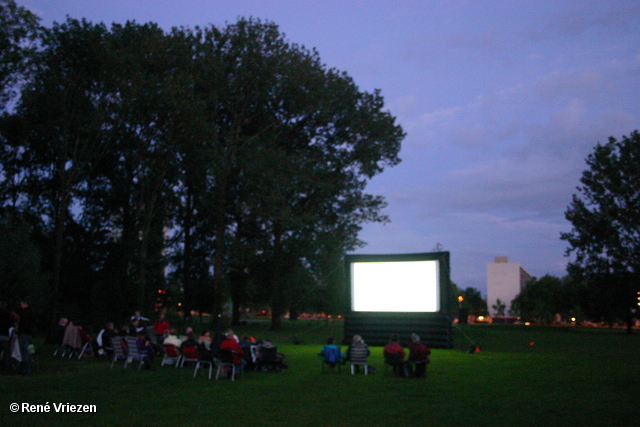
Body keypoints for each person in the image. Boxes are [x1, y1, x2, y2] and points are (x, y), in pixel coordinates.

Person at [15, 301, 35, 375]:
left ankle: (25, 370)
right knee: (28, 350)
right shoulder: (31, 312)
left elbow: (22, 323)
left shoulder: (24, 313)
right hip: (29, 334)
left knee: (24, 352)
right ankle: (28, 368)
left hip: (23, 333)